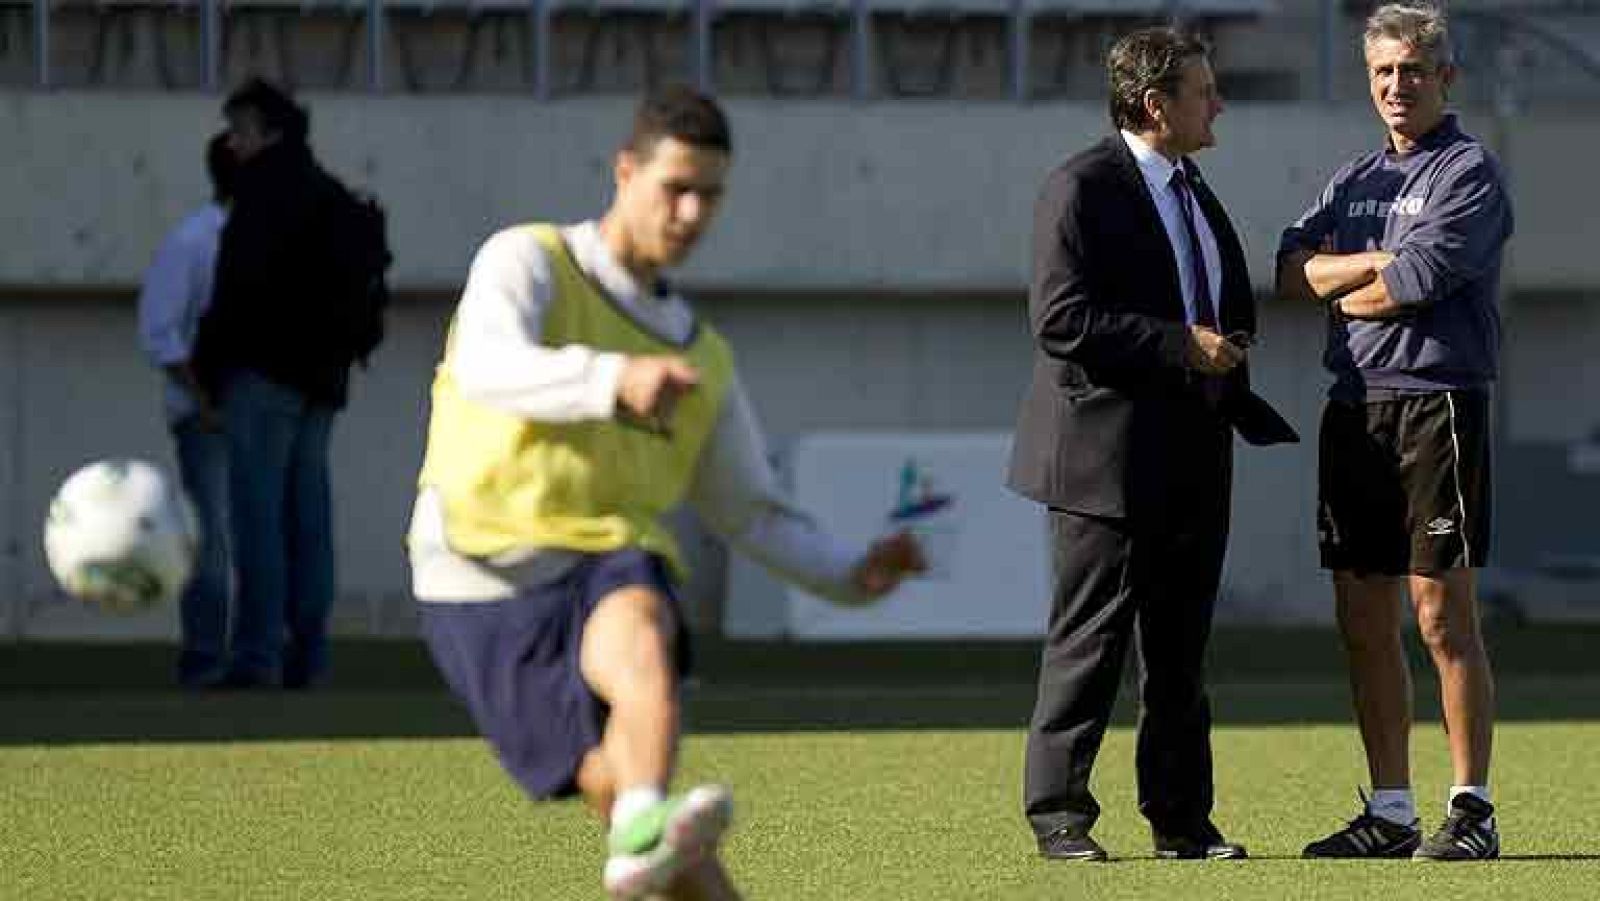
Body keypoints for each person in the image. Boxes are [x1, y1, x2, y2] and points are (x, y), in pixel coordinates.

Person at [408, 85, 926, 900]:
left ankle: (644, 817)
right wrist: (612, 377)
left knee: (644, 617)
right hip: (475, 573)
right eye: (674, 188)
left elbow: (746, 506)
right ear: (625, 171)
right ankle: (640, 823)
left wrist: (849, 572)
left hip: (601, 559)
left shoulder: (703, 358)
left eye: (709, 195)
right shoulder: (530, 260)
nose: (690, 212)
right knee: (634, 815)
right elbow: (485, 364)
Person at [1007, 27, 1297, 863]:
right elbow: (1060, 320)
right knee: (1091, 639)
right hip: (1104, 456)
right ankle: (1060, 815)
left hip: (1196, 450)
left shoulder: (1193, 184)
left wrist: (1227, 342)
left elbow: (1214, 291)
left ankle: (1182, 821)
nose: (1219, 104)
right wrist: (1181, 344)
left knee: (1180, 648)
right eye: (1204, 91)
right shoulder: (1080, 188)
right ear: (1153, 105)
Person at [1277, 2, 1513, 861]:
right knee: (1361, 616)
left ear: (1445, 76)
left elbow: (1411, 282)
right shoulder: (1351, 179)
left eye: (1412, 70)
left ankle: (1473, 808)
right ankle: (1390, 810)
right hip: (1354, 407)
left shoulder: (1469, 173)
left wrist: (1350, 279)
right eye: (1383, 71)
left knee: (1441, 614)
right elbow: (1286, 267)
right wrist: (1369, 268)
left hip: (1437, 402)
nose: (1396, 86)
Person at [192, 79, 366, 690]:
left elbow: (234, 294)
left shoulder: (261, 197)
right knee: (308, 518)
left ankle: (257, 655)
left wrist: (208, 375)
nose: (231, 145)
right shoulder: (333, 197)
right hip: (322, 381)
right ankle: (309, 653)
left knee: (257, 517)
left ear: (268, 134)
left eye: (240, 132)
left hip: (264, 378)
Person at [136, 132, 237, 689]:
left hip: (251, 412)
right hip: (206, 417)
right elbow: (159, 332)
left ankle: (253, 657)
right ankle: (205, 658)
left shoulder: (261, 238)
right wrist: (204, 402)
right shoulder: (195, 240)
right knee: (211, 537)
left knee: (256, 536)